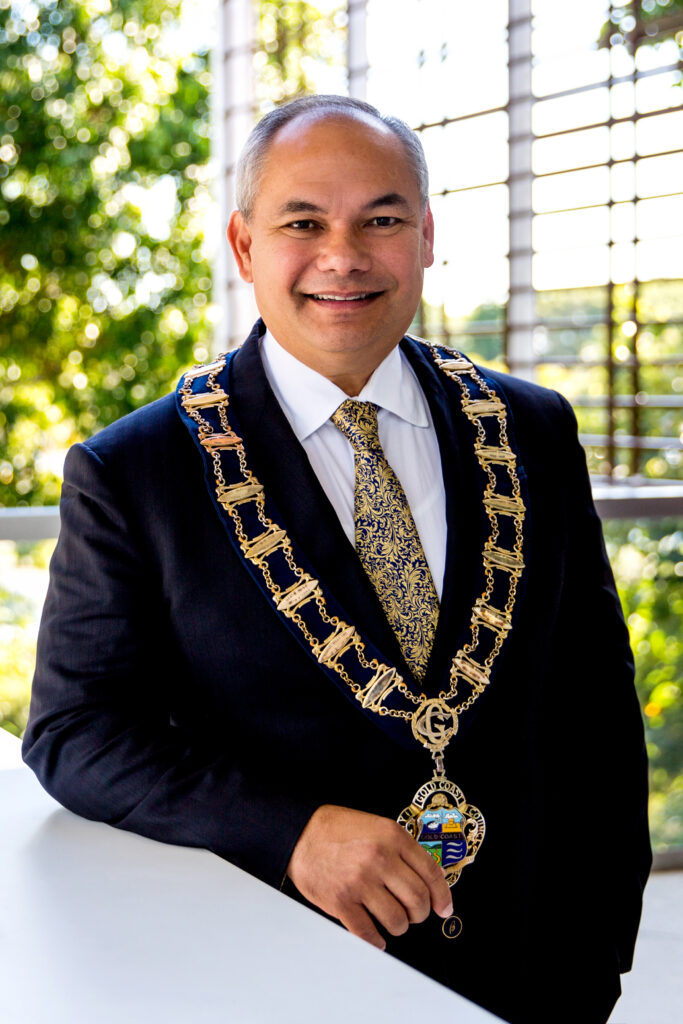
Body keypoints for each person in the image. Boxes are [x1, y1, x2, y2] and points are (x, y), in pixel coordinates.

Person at [24, 95, 651, 1024]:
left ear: (426, 236)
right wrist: (291, 832)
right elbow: (76, 734)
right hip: (284, 969)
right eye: (303, 222)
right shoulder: (135, 472)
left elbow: (594, 705)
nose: (343, 256)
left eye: (381, 219)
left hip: (534, 969)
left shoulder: (533, 430)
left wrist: (598, 952)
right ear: (244, 246)